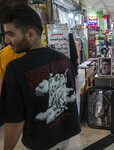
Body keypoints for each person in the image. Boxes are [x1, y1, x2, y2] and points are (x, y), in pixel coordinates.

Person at [0, 5, 81, 150]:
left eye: (11, 34)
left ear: (31, 34)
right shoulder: (64, 59)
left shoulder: (15, 68)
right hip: (64, 137)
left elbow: (14, 121)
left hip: (40, 142)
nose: (6, 40)